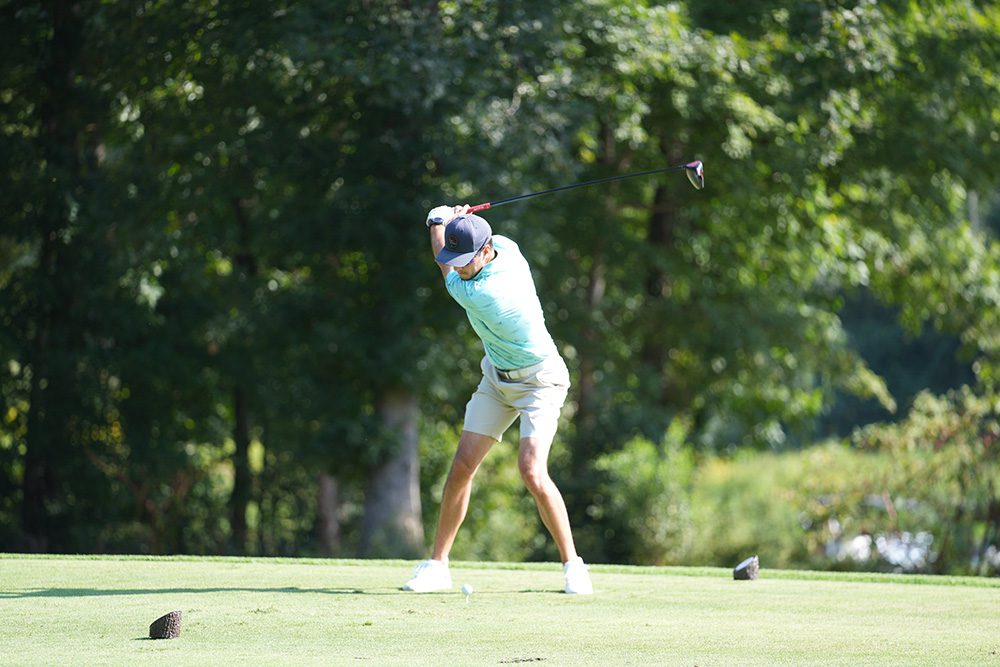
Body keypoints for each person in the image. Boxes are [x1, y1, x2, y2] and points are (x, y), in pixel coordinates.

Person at [402, 204, 593, 595]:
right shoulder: (508, 246)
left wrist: (437, 220)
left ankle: (574, 566)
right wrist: (459, 222)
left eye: (466, 260)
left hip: (540, 381)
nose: (461, 266)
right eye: (457, 259)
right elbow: (456, 249)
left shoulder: (483, 292)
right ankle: (437, 565)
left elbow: (445, 269)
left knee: (531, 471)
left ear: (486, 252)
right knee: (461, 467)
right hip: (497, 379)